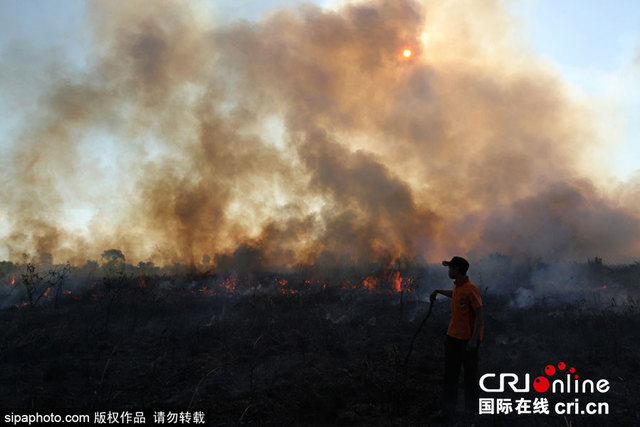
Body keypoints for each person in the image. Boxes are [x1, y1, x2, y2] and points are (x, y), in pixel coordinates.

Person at [430, 256, 484, 418]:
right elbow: (455, 295)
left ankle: (472, 411)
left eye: (451, 268)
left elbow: (480, 314)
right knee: (450, 376)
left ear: (457, 270)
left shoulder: (471, 288)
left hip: (467, 340)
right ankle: (448, 410)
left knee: (470, 376)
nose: (449, 271)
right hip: (453, 337)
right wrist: (439, 291)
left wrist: (474, 339)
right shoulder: (458, 287)